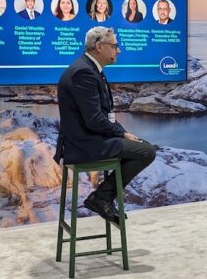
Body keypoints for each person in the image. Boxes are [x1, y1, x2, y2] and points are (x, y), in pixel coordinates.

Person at [54, 26, 156, 223]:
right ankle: (101, 198)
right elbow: (94, 120)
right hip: (83, 144)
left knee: (143, 146)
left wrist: (123, 133)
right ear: (99, 46)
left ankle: (102, 198)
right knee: (146, 152)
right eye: (115, 46)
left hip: (90, 138)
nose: (119, 50)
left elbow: (104, 115)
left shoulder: (90, 69)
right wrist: (121, 134)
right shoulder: (83, 73)